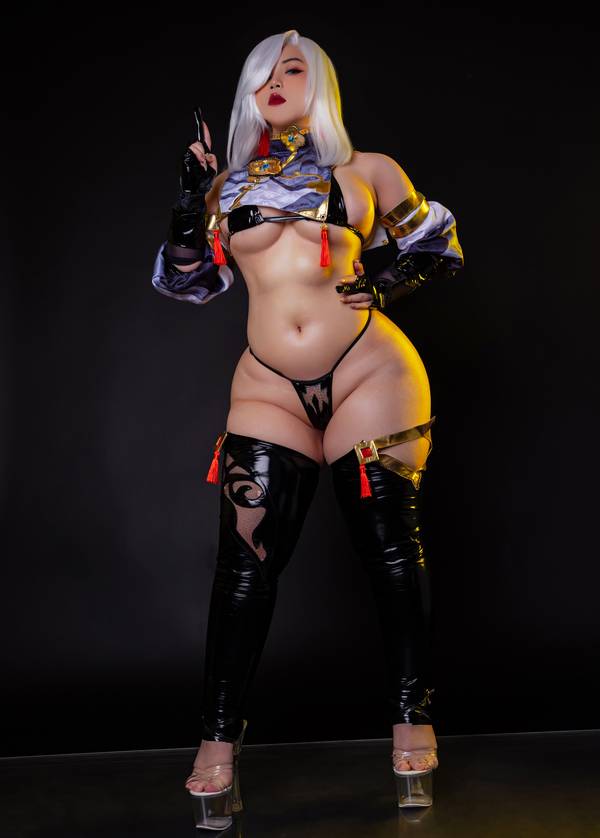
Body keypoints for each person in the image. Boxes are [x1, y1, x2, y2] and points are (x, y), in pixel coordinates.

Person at [152, 28, 464, 816]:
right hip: (269, 386)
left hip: (370, 370)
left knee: (389, 547)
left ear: (318, 82)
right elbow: (187, 280)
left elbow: (437, 245)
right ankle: (216, 743)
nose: (275, 82)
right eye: (262, 73)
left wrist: (386, 284)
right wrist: (190, 202)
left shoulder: (368, 170)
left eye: (292, 68)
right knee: (244, 568)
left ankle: (412, 718)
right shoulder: (227, 188)